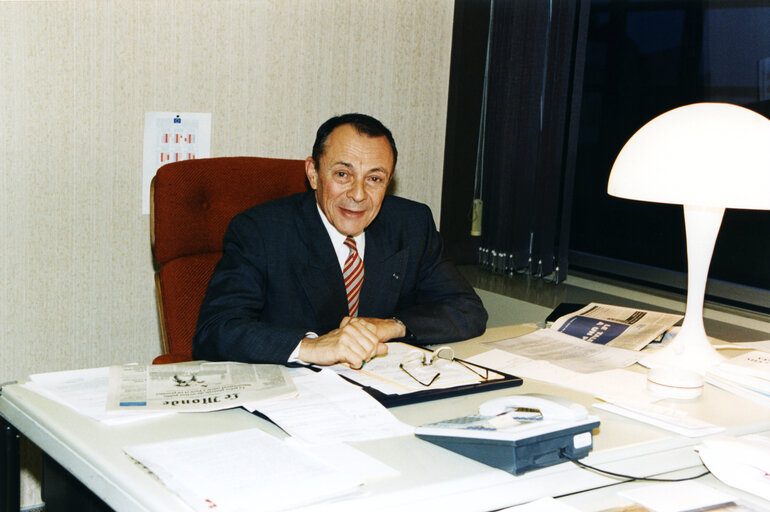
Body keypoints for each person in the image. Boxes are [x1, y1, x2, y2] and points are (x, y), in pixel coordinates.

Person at [193, 113, 487, 368]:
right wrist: (313, 347)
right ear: (313, 173)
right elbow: (216, 330)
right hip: (296, 396)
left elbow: (467, 309)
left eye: (374, 178)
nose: (358, 195)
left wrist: (389, 326)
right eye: (343, 174)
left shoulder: (410, 224)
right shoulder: (261, 231)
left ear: (389, 180)